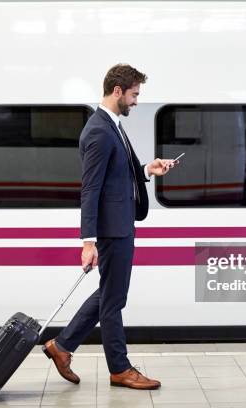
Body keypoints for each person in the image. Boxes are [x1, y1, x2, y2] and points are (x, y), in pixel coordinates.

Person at [42, 64, 177, 390]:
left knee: (109, 295)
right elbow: (90, 188)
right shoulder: (100, 131)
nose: (136, 102)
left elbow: (118, 175)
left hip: (120, 224)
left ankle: (61, 346)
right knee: (114, 300)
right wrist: (88, 241)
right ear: (117, 91)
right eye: (134, 95)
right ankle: (120, 369)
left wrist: (147, 170)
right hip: (112, 230)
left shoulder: (110, 125)